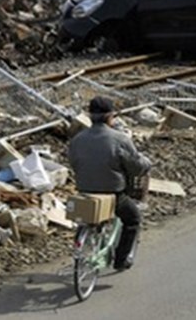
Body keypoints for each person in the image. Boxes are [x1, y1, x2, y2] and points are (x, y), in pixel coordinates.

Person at [67, 96, 152, 270]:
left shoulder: (77, 140)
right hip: (112, 193)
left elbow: (74, 164)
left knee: (87, 218)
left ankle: (82, 244)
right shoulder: (120, 139)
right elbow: (136, 166)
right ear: (110, 117)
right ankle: (121, 260)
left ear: (90, 116)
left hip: (85, 190)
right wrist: (146, 163)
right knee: (133, 219)